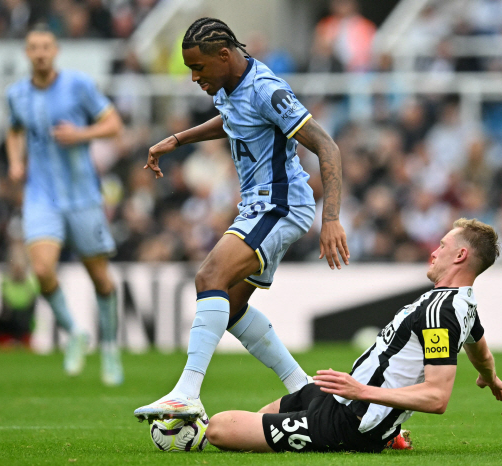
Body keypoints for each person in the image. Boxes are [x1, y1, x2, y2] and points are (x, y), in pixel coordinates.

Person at [134, 18, 349, 421]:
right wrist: (178, 139)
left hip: (280, 205)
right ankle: (303, 389)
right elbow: (234, 120)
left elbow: (327, 145)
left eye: (199, 68)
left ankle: (187, 392)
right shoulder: (230, 84)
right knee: (229, 307)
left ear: (224, 55)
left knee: (208, 277)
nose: (195, 78)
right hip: (257, 206)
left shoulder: (268, 89)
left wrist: (332, 218)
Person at [205, 219, 502, 453]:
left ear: (460, 255)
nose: (434, 251)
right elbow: (479, 346)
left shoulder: (440, 312)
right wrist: (489, 375)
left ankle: (386, 433)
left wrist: (361, 391)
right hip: (342, 396)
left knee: (219, 428)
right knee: (264, 414)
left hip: (351, 422)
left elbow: (436, 397)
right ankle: (391, 432)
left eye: (442, 246)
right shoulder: (460, 303)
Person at [5, 24, 125, 384]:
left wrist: (81, 134)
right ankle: (75, 332)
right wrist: (15, 161)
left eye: (46, 46)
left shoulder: (78, 85)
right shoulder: (16, 95)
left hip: (83, 196)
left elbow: (114, 124)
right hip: (41, 197)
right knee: (41, 270)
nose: (40, 52)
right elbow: (14, 130)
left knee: (101, 279)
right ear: (27, 53)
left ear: (55, 51)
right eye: (33, 47)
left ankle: (109, 350)